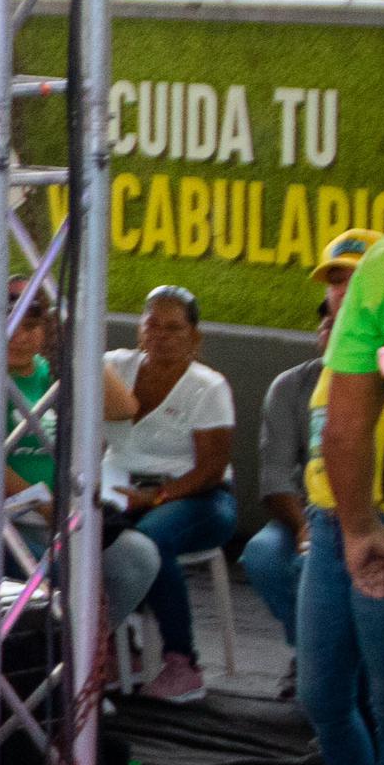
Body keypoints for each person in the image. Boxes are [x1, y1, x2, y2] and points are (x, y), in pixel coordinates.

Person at [281, 233, 384, 765]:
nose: (342, 290)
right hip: (330, 526)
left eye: (353, 279)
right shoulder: (336, 357)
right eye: (334, 281)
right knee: (323, 691)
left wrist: (373, 525)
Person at [102, 287, 238, 704]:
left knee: (150, 541)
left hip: (198, 497)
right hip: (120, 489)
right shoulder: (113, 367)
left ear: (195, 337)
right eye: (152, 325)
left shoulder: (209, 386)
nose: (160, 335)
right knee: (86, 533)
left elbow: (210, 470)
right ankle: (114, 646)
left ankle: (183, 662)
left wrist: (156, 498)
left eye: (174, 328)